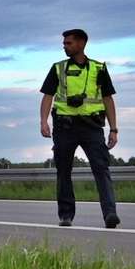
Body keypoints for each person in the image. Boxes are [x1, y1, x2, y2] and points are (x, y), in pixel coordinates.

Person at [39, 28, 120, 228]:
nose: (65, 46)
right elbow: (48, 96)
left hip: (92, 126)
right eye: (64, 43)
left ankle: (110, 214)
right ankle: (66, 215)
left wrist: (114, 129)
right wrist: (43, 121)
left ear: (81, 43)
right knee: (63, 171)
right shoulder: (58, 68)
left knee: (101, 168)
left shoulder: (98, 68)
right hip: (64, 127)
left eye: (69, 43)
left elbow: (107, 99)